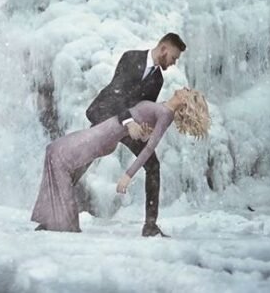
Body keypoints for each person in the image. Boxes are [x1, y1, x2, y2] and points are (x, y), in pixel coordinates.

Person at [31, 88, 209, 233]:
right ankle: (57, 220)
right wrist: (144, 133)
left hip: (105, 136)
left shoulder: (165, 114)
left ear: (185, 102)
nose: (184, 88)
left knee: (57, 154)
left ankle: (62, 223)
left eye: (188, 91)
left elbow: (148, 149)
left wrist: (128, 175)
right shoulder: (163, 107)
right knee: (54, 152)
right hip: (105, 130)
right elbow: (143, 133)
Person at [84, 33, 186, 237]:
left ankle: (150, 226)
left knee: (153, 164)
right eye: (173, 57)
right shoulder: (131, 58)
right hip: (106, 114)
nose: (173, 63)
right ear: (163, 49)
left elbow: (143, 107)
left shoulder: (158, 79)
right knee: (81, 158)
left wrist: (145, 129)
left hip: (129, 124)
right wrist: (129, 122)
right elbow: (117, 94)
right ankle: (52, 214)